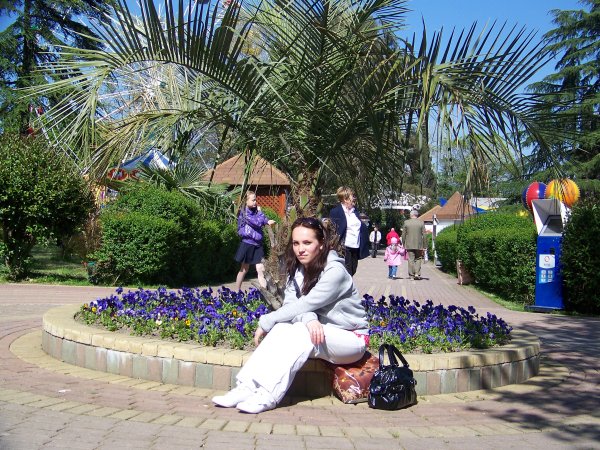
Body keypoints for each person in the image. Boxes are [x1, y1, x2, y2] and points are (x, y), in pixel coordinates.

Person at [212, 217, 369, 413]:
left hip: (351, 338)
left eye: (307, 243)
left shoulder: (335, 271)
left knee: (300, 332)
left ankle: (269, 394)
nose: (300, 249)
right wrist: (309, 319)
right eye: (296, 243)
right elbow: (291, 306)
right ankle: (246, 387)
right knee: (282, 327)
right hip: (320, 333)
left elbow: (306, 303)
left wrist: (267, 321)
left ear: (321, 244)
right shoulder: (298, 269)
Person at [234, 191, 275, 291]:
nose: (255, 202)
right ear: (246, 201)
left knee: (261, 269)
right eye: (253, 200)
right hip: (247, 244)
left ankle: (264, 292)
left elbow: (263, 219)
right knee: (244, 269)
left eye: (255, 200)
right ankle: (237, 292)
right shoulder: (245, 214)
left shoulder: (255, 210)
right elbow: (257, 223)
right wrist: (260, 213)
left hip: (258, 244)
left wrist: (267, 221)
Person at [329, 186, 370, 275]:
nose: (354, 198)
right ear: (345, 199)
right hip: (344, 247)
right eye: (352, 196)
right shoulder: (336, 212)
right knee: (347, 271)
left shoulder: (355, 212)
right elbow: (332, 230)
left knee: (353, 269)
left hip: (355, 246)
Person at [402, 209, 426, 280]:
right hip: (419, 245)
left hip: (409, 244)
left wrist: (403, 243)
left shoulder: (406, 222)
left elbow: (403, 235)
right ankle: (417, 273)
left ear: (411, 215)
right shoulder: (421, 223)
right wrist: (425, 245)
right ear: (417, 215)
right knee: (418, 258)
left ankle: (411, 276)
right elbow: (424, 235)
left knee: (411, 259)